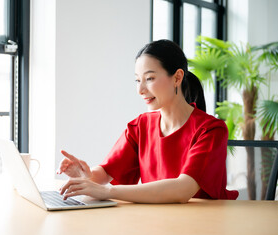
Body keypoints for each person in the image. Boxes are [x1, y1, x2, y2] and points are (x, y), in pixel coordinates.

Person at [57, 40, 239, 203]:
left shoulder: (211, 129)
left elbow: (183, 189)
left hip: (203, 226)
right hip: (154, 221)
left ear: (177, 77)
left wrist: (108, 191)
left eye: (149, 78)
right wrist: (86, 176)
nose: (140, 89)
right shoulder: (140, 126)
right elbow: (106, 173)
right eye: (138, 80)